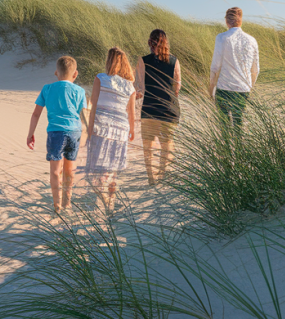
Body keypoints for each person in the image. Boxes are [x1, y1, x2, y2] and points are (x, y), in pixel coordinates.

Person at [27, 55, 86, 214]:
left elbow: (35, 114)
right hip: (74, 131)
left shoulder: (47, 88)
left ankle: (57, 206)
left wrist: (30, 134)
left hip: (55, 132)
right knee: (69, 169)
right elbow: (83, 114)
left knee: (55, 170)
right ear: (75, 74)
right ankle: (67, 203)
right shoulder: (80, 91)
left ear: (56, 73)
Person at [85, 47, 137, 214]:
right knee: (113, 172)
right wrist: (132, 130)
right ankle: (111, 204)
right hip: (121, 131)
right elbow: (131, 113)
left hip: (102, 129)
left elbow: (92, 106)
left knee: (98, 171)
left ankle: (104, 200)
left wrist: (89, 128)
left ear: (109, 61)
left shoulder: (100, 78)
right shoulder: (130, 86)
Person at [135, 29, 181, 186]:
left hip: (150, 108)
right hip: (169, 107)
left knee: (147, 144)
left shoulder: (143, 61)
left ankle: (150, 176)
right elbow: (177, 87)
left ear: (150, 43)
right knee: (166, 143)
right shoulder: (174, 61)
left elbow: (139, 88)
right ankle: (162, 173)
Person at [209, 7, 260, 135]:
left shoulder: (222, 38)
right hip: (243, 89)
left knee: (224, 125)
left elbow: (215, 67)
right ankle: (238, 153)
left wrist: (211, 88)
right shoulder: (251, 40)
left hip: (224, 88)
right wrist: (250, 87)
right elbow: (256, 70)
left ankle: (225, 153)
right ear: (240, 20)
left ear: (227, 21)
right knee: (238, 123)